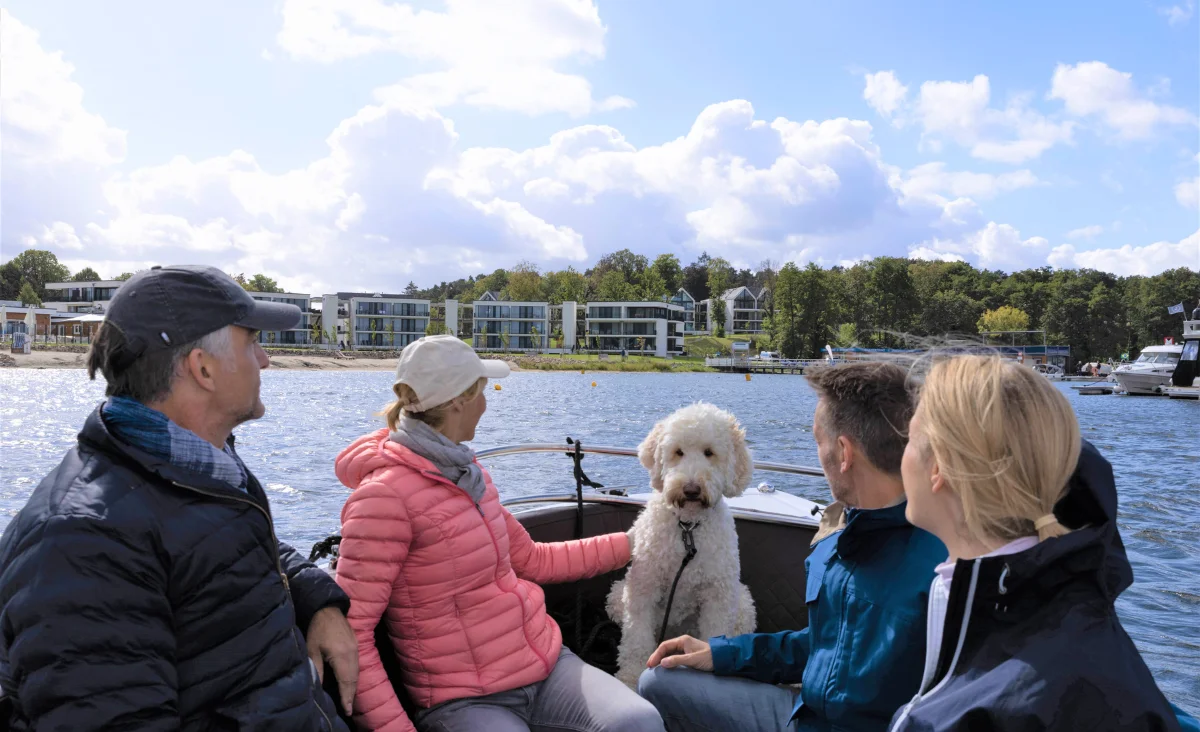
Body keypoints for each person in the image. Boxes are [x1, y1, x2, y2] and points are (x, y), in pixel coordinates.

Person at [0, 266, 356, 730]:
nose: (266, 360)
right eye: (252, 342)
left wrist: (319, 599)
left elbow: (225, 544)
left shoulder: (196, 469)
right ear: (203, 368)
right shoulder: (83, 540)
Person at [334, 334, 664, 732]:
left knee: (640, 721)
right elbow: (353, 630)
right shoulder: (382, 498)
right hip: (462, 698)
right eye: (482, 392)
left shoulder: (469, 475)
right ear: (459, 400)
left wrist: (637, 544)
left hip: (544, 664)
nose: (486, 405)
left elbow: (532, 559)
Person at [638, 362, 947, 731]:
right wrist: (720, 654)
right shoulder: (835, 543)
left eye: (818, 441)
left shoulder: (942, 568)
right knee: (657, 680)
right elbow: (821, 646)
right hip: (804, 711)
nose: (817, 453)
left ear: (844, 453)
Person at [890, 354, 1181, 730]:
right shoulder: (1069, 615)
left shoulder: (1005, 703)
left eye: (909, 440)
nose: (901, 457)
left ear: (938, 469)